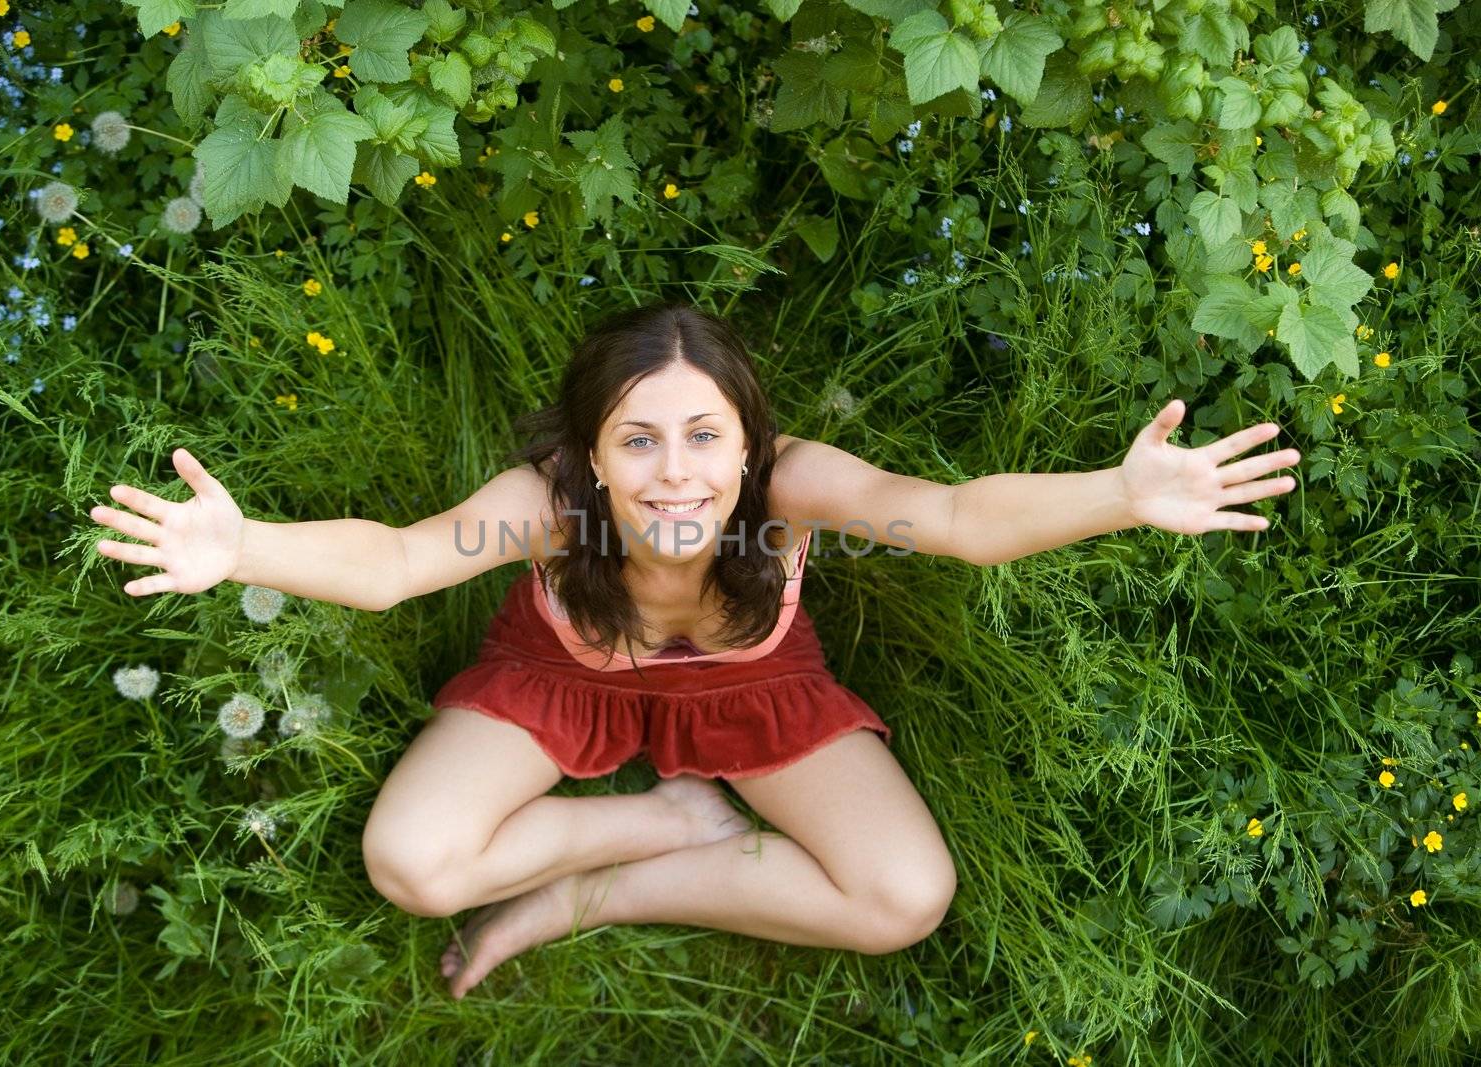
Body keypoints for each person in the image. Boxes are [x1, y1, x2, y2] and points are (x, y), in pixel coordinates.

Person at [89, 301, 1300, 1000]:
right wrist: (243, 545)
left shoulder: (798, 487)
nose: (676, 472)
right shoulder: (545, 503)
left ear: (747, 440)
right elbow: (399, 562)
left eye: (704, 435)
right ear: (592, 451)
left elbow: (962, 519)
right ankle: (673, 820)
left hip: (755, 696)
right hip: (558, 683)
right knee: (410, 862)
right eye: (640, 440)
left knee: (903, 895)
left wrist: (1120, 493)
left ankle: (583, 894)